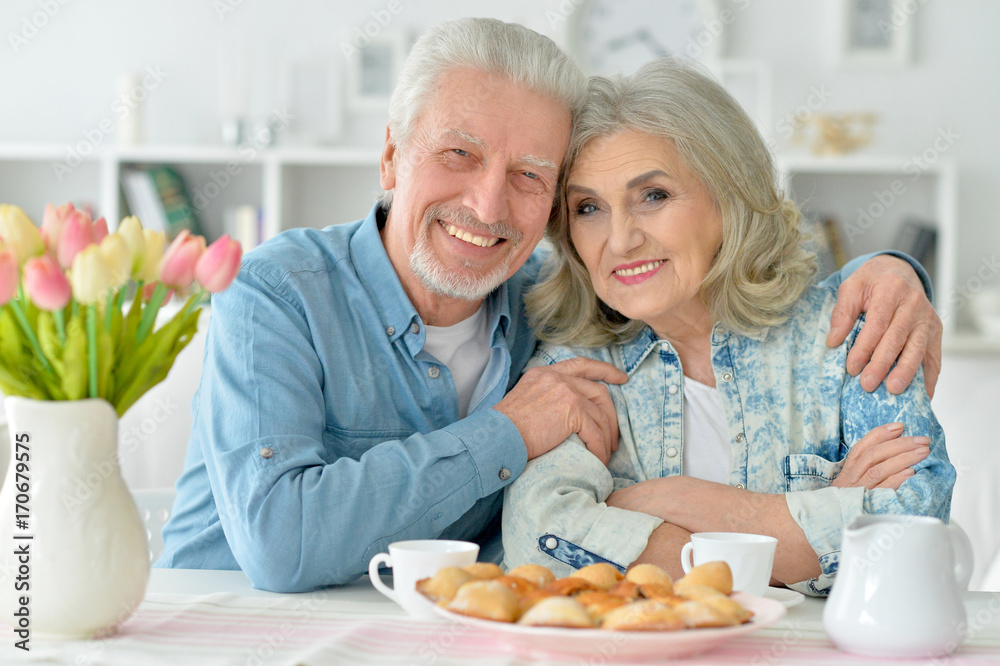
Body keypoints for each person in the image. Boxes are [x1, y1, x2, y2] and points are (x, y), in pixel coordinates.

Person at [158, 18, 942, 593]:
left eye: (532, 175)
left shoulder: (549, 303)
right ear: (392, 155)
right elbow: (286, 547)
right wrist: (506, 431)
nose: (488, 204)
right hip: (230, 627)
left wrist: (892, 269)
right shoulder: (279, 291)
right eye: (458, 154)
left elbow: (916, 519)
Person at [501, 57, 955, 597]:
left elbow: (912, 531)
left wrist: (676, 500)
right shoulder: (570, 370)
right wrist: (816, 525)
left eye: (654, 196)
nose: (620, 240)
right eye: (589, 207)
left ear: (729, 195)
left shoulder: (851, 332)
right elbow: (542, 545)